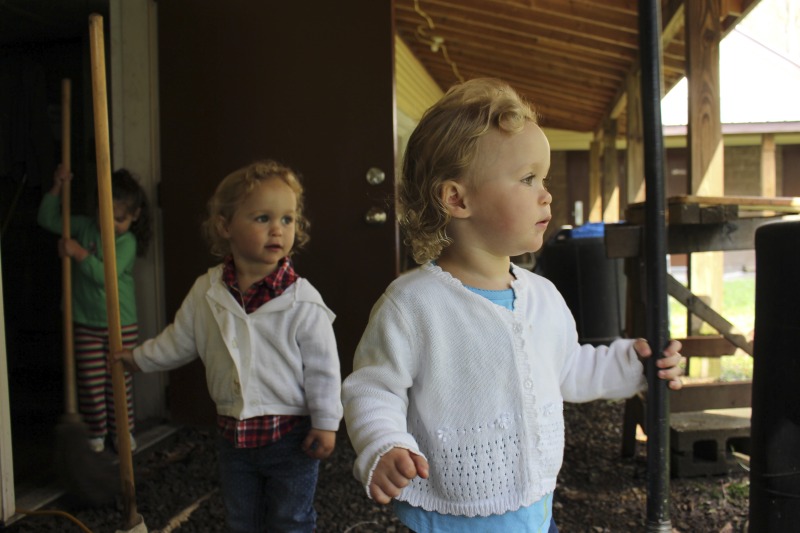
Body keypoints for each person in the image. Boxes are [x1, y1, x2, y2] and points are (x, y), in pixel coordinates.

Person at [341, 78, 685, 533]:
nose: (546, 193)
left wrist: (635, 364)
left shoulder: (542, 296)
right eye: (527, 179)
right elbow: (373, 389)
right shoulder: (413, 305)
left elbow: (567, 369)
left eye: (542, 179)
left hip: (534, 509)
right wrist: (384, 443)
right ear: (457, 198)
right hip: (450, 515)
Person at [113, 159, 342, 533]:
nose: (278, 230)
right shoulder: (208, 291)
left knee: (290, 518)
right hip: (233, 434)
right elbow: (181, 338)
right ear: (225, 226)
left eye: (287, 219)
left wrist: (326, 421)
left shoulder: (302, 300)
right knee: (241, 518)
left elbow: (322, 367)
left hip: (291, 435)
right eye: (262, 218)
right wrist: (139, 358)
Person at [38, 165, 152, 454]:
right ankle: (97, 434)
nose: (110, 224)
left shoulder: (127, 241)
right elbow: (47, 218)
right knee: (90, 382)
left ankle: (123, 432)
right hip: (85, 321)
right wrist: (57, 187)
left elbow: (105, 277)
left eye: (119, 218)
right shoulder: (84, 226)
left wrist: (77, 253)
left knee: (118, 382)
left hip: (120, 323)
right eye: (105, 215)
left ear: (134, 216)